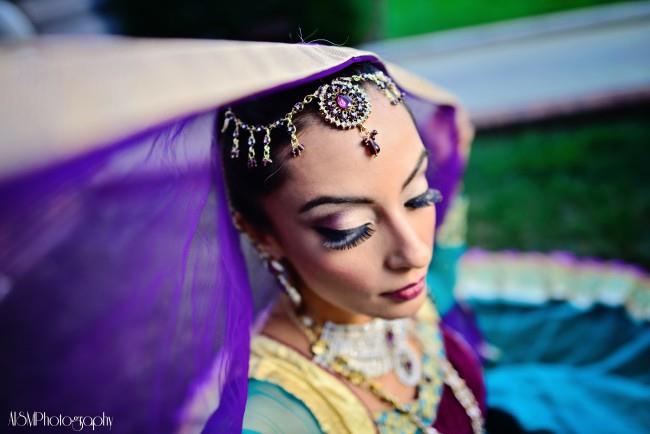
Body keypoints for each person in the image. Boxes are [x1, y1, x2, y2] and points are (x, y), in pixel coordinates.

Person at [0, 38, 481, 434]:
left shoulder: (402, 287)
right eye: (348, 230)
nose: (413, 251)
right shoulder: (273, 416)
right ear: (260, 233)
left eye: (420, 197)